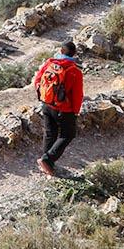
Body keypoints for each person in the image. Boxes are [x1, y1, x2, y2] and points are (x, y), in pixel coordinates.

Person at [34, 42, 85, 177]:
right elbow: (77, 95)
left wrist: (45, 97)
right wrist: (76, 111)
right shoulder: (75, 71)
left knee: (50, 133)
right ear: (74, 54)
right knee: (68, 134)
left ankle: (47, 164)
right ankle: (48, 160)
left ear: (61, 51)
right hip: (63, 109)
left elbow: (37, 81)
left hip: (46, 105)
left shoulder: (49, 63)